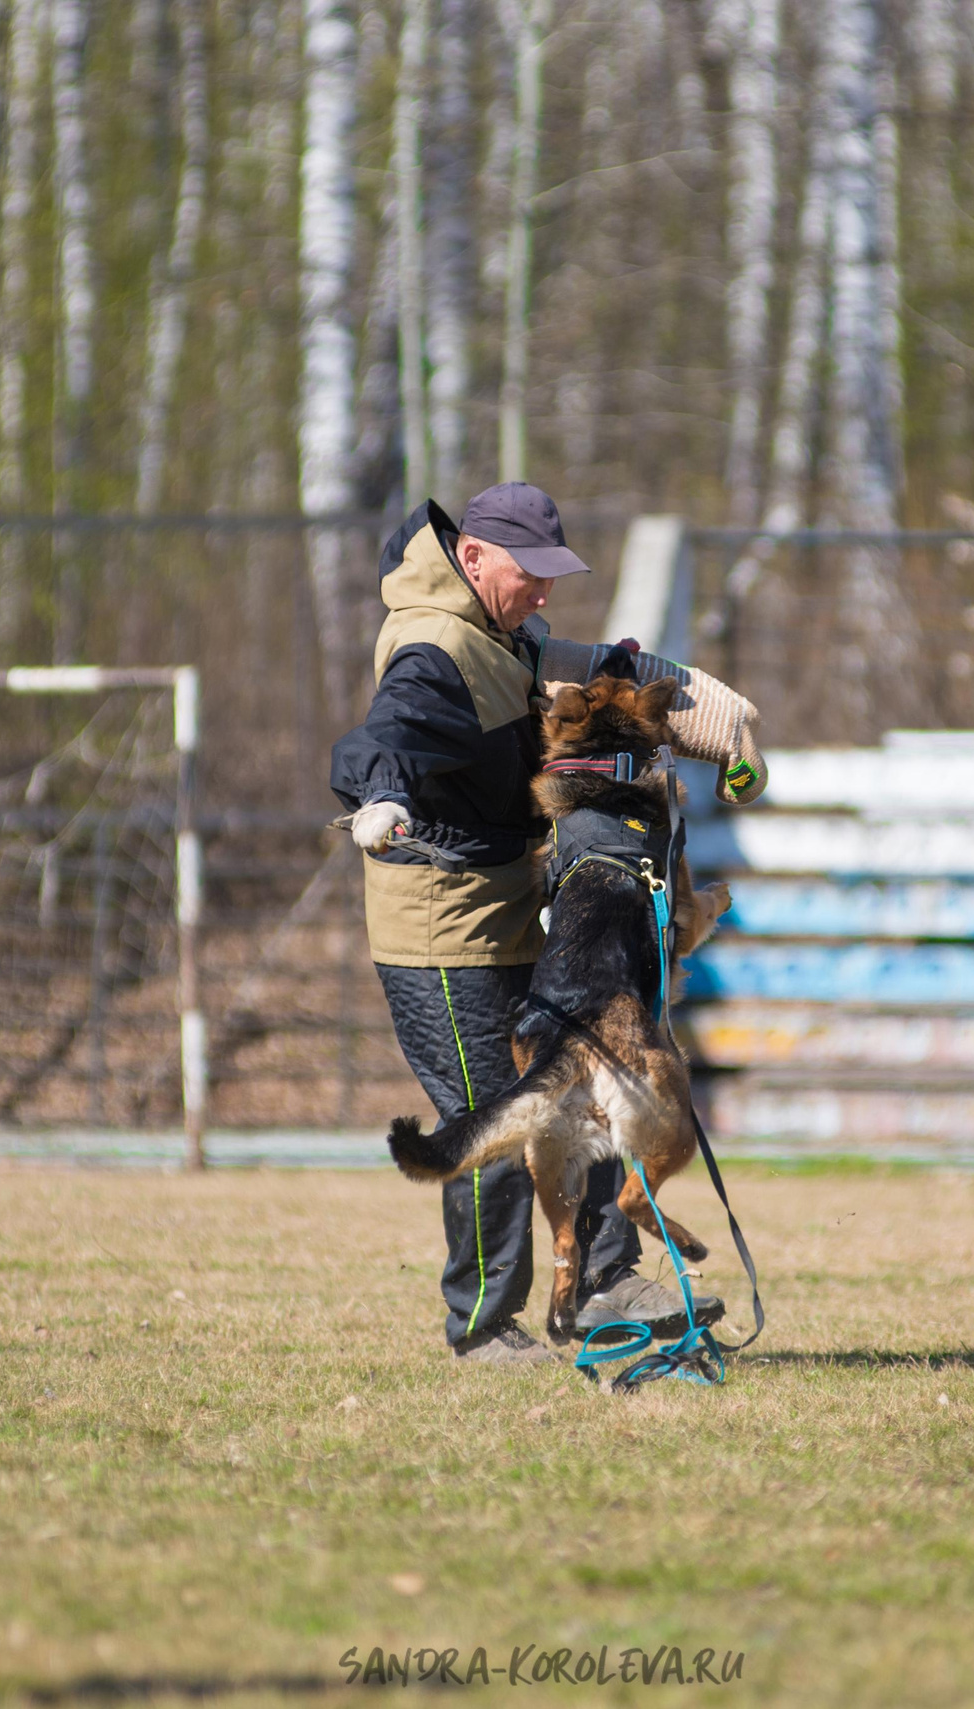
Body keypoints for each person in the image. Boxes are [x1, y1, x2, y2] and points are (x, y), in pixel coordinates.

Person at [329, 483, 764, 1364]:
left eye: (551, 578)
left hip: (517, 911)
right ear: (476, 558)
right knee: (497, 1119)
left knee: (586, 1087)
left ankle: (607, 1278)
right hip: (441, 931)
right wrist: (376, 795)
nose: (543, 595)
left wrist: (716, 714)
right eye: (531, 575)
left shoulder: (504, 629)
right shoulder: (433, 647)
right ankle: (484, 1326)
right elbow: (389, 731)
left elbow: (600, 664)